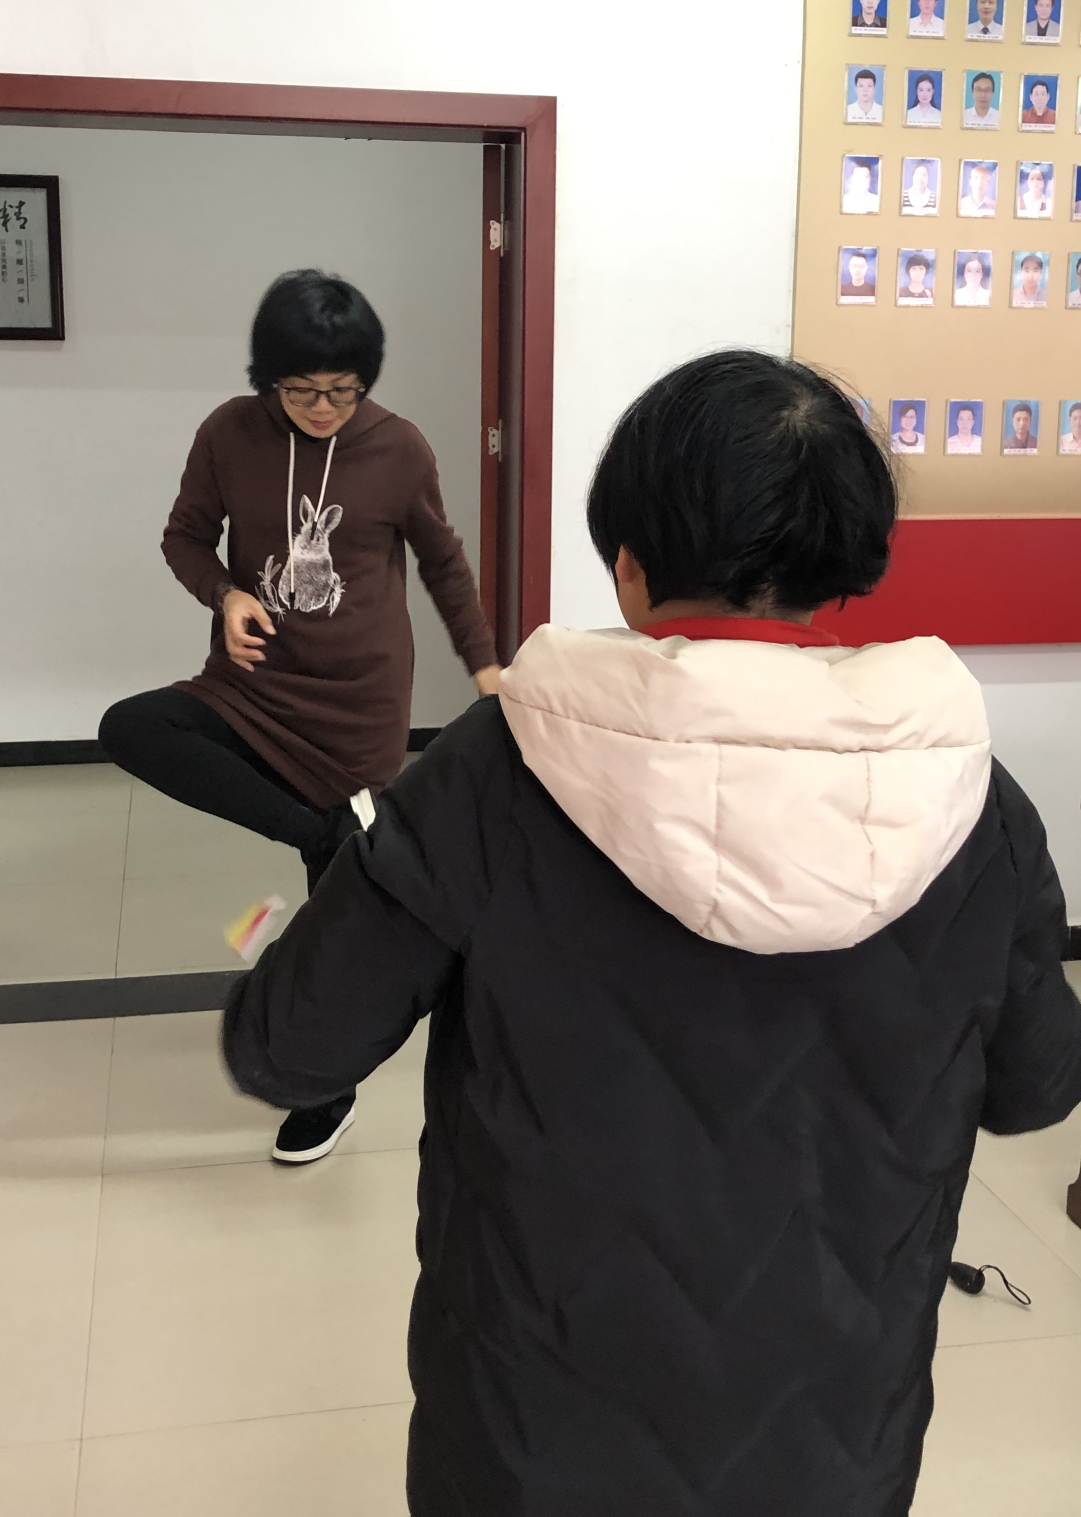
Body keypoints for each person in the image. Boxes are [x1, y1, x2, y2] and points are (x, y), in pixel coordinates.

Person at [221, 348, 1081, 1516]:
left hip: (532, 1434)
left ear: (628, 568)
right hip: (833, 1437)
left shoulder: (496, 771)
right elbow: (1037, 1087)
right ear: (841, 559)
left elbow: (288, 1049)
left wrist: (330, 886)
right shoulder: (974, 800)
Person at [99, 269, 499, 1167]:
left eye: (343, 390)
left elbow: (442, 562)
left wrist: (484, 666)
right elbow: (184, 536)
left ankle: (325, 1092)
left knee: (334, 935)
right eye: (302, 390)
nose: (323, 408)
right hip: (251, 687)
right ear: (266, 378)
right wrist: (227, 593)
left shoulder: (398, 448)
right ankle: (323, 830)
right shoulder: (228, 433)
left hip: (358, 702)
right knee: (133, 726)